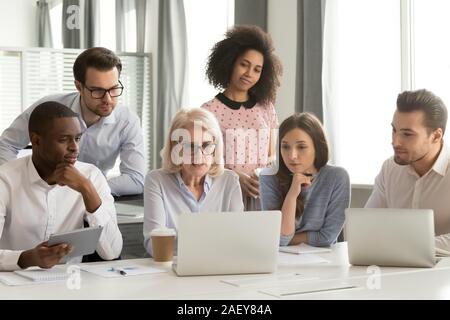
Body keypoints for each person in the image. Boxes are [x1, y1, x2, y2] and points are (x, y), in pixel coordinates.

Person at [0, 47, 145, 196]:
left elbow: (135, 180)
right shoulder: (48, 108)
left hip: (92, 199)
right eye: (97, 91)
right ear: (79, 86)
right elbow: (6, 144)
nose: (108, 99)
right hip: (41, 193)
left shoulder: (127, 121)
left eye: (114, 88)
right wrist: (15, 183)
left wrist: (86, 187)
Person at [0, 101, 122, 271]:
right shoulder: (5, 180)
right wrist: (28, 258)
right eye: (64, 140)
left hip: (69, 284)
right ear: (36, 140)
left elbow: (112, 252)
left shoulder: (90, 176)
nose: (74, 148)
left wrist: (87, 189)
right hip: (12, 285)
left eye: (77, 138)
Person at [201, 25, 282, 209]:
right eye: (244, 64)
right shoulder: (208, 112)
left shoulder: (266, 107)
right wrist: (235, 177)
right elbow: (202, 164)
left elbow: (272, 155)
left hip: (263, 194)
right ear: (230, 62)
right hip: (225, 196)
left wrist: (261, 174)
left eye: (257, 69)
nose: (249, 74)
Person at [143, 108, 244, 256]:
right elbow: (154, 245)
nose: (198, 155)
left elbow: (239, 240)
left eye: (206, 145)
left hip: (218, 270)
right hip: (171, 271)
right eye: (190, 146)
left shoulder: (229, 181)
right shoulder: (156, 181)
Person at [365, 89, 450, 254]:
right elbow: (367, 225)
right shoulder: (390, 168)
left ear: (436, 136)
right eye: (394, 130)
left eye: (407, 134)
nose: (395, 142)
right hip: (398, 268)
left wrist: (407, 246)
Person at [260, 113, 350, 247]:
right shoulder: (268, 177)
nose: (292, 156)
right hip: (280, 260)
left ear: (317, 147)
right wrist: (292, 194)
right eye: (285, 147)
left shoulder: (337, 177)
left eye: (301, 147)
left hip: (325, 261)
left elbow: (326, 238)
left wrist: (284, 240)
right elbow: (279, 238)